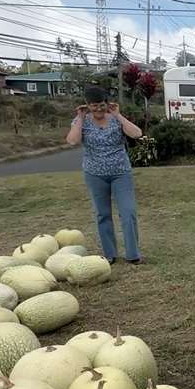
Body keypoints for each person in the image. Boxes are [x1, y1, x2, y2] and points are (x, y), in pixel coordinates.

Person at [65, 85, 145, 265]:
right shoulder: (81, 121)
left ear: (107, 104)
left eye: (101, 105)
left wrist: (118, 115)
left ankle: (133, 254)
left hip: (120, 173)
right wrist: (80, 117)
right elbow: (72, 141)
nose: (98, 109)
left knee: (128, 212)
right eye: (94, 106)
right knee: (102, 214)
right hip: (95, 174)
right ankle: (110, 254)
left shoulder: (116, 119)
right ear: (87, 105)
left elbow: (137, 133)